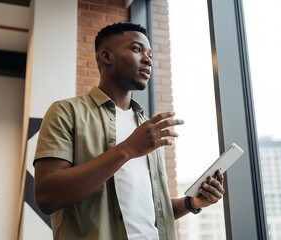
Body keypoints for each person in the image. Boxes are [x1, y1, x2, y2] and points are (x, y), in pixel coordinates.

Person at [33, 22, 225, 240]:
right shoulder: (66, 112)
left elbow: (152, 212)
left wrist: (192, 202)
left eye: (149, 54)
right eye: (136, 49)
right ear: (106, 57)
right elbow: (47, 195)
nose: (148, 59)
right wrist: (127, 149)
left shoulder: (147, 129)